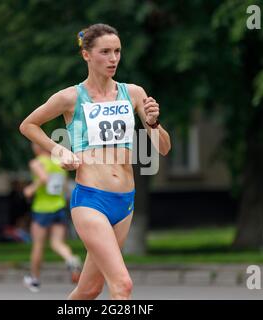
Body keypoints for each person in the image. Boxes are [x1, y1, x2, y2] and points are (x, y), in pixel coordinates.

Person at [19, 23, 171, 300]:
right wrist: (58, 149)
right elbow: (28, 125)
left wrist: (154, 123)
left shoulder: (134, 93)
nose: (113, 58)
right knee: (122, 285)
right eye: (105, 52)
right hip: (91, 200)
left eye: (117, 51)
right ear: (87, 55)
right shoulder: (70, 97)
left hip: (125, 203)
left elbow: (163, 148)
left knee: (89, 290)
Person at [22, 143, 81, 292]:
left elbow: (43, 178)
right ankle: (71, 259)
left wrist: (30, 190)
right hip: (59, 206)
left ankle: (34, 279)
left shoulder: (36, 162)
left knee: (38, 245)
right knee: (57, 243)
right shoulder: (58, 163)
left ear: (37, 147)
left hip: (42, 208)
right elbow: (65, 187)